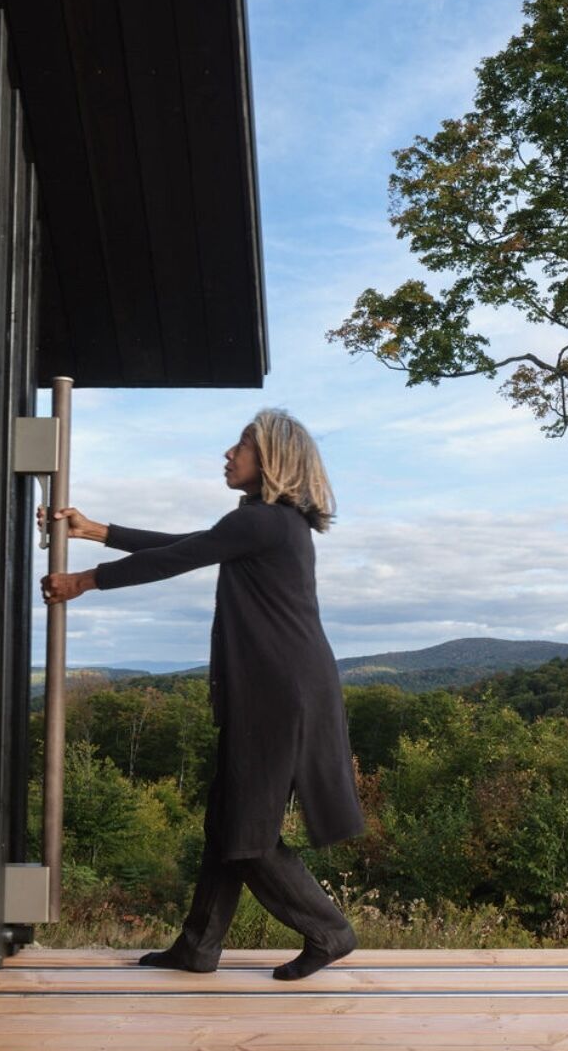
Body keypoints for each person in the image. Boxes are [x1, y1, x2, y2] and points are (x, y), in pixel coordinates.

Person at [39, 408, 363, 980]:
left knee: (248, 835)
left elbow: (177, 558)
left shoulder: (266, 520)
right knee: (227, 821)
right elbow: (192, 543)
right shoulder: (267, 524)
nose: (228, 454)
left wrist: (84, 580)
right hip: (279, 689)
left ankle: (329, 930)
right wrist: (101, 532)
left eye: (242, 446)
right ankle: (198, 946)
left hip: (278, 695)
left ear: (272, 460)